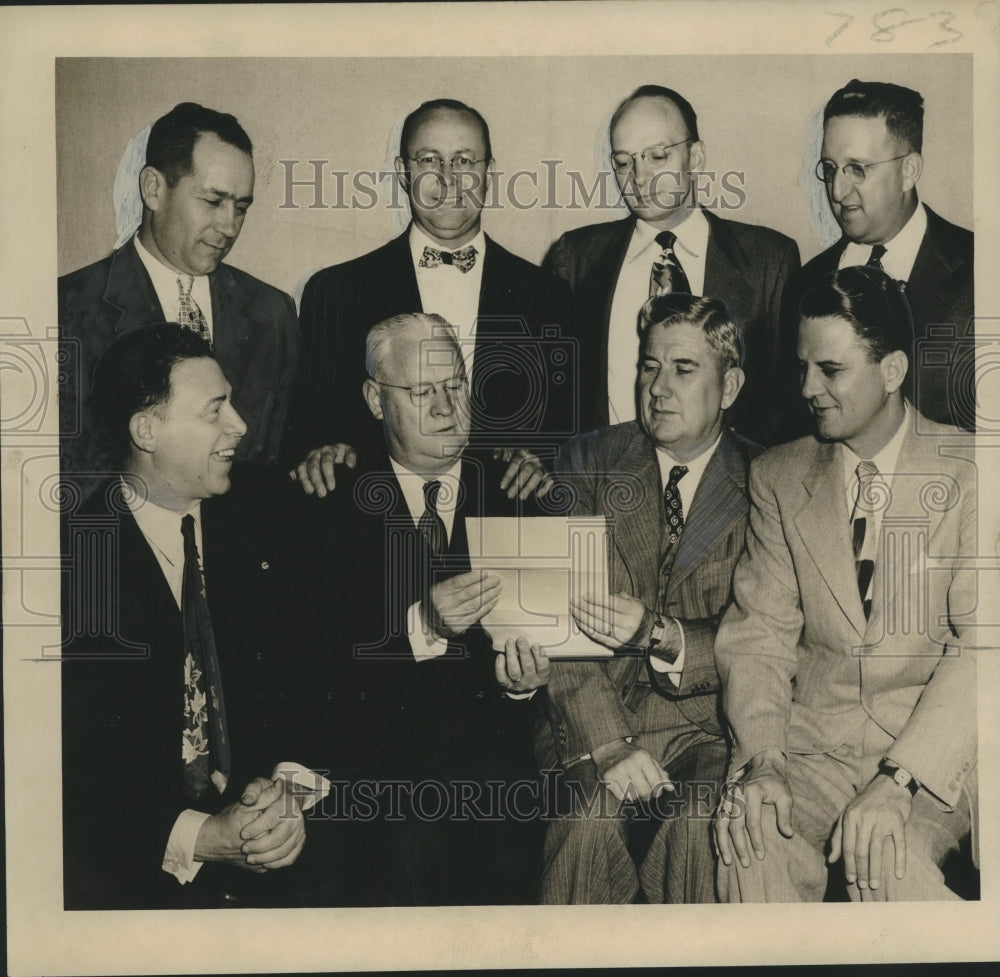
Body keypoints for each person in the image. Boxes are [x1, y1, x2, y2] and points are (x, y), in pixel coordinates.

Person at [714, 265, 978, 902]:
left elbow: (982, 649)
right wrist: (764, 761)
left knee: (889, 864)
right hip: (813, 752)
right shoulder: (779, 476)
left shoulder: (973, 471)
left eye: (830, 370)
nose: (808, 388)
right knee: (750, 840)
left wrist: (899, 780)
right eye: (803, 368)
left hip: (937, 754)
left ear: (892, 372)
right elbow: (759, 639)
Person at [288, 312, 554, 906]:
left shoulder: (518, 490)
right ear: (374, 400)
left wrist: (523, 686)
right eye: (421, 392)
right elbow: (311, 672)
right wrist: (420, 627)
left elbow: (543, 667)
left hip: (494, 776)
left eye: (454, 386)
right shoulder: (327, 499)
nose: (444, 408)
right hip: (374, 773)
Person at [60, 323, 324, 910]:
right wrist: (200, 837)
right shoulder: (72, 563)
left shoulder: (270, 513)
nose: (241, 425)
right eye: (214, 410)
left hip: (283, 872)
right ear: (146, 431)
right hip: (134, 891)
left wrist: (289, 791)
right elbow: (72, 775)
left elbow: (314, 676)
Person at [537, 293, 761, 903]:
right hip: (591, 717)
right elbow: (556, 615)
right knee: (585, 826)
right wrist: (607, 742)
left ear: (730, 386)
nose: (658, 388)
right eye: (649, 367)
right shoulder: (587, 461)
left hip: (709, 727)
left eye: (683, 369)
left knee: (704, 828)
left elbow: (758, 637)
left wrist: (660, 633)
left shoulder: (765, 480)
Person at [289, 98, 575, 495]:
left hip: (500, 518)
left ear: (489, 172)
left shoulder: (550, 296)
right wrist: (322, 450)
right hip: (375, 518)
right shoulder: (335, 292)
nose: (447, 179)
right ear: (402, 172)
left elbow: (571, 433)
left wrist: (543, 459)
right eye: (429, 160)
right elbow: (308, 430)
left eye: (464, 161)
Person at [544, 85, 800, 446]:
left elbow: (786, 397)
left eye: (657, 156)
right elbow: (552, 389)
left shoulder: (769, 260)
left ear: (695, 157)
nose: (639, 176)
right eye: (623, 162)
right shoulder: (574, 257)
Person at [59, 102, 299, 483]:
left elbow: (289, 453)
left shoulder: (273, 313)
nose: (230, 226)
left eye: (241, 207)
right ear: (153, 189)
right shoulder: (64, 309)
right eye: (213, 201)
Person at [788, 80, 974, 432]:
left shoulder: (982, 270)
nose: (838, 191)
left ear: (909, 171)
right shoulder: (805, 283)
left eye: (858, 169)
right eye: (830, 168)